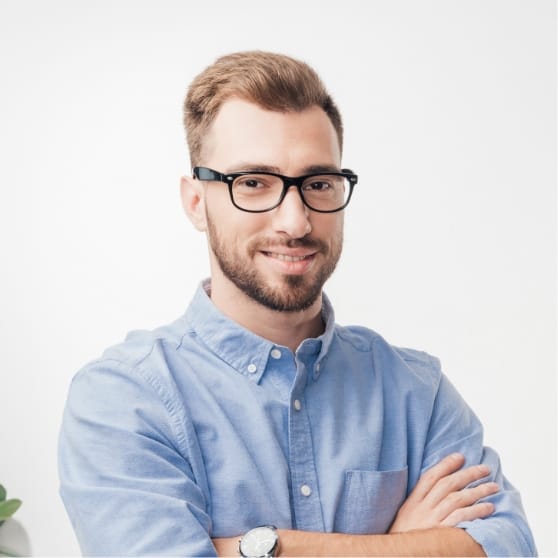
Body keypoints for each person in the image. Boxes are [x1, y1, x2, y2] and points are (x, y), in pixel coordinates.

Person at [58, 50, 536, 557]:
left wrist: (265, 547)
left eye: (318, 184)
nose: (295, 221)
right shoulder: (124, 399)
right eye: (254, 183)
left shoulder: (418, 393)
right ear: (196, 202)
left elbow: (509, 547)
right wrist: (397, 545)